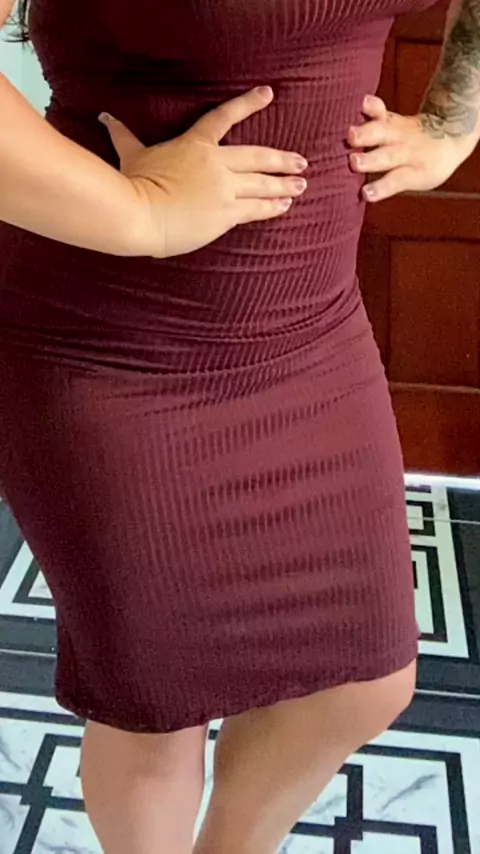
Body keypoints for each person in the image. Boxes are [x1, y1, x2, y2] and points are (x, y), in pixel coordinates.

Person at [0, 0, 477, 852]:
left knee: (365, 683)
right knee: (157, 705)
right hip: (114, 348)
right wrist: (138, 212)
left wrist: (451, 123)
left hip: (312, 334)